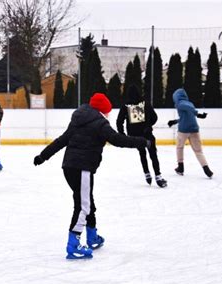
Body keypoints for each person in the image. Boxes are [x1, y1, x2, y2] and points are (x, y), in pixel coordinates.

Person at [33, 93, 150, 260]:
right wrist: (141, 141)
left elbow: (61, 140)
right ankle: (73, 244)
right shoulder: (100, 124)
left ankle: (92, 236)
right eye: (108, 110)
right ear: (103, 110)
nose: (109, 114)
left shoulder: (79, 119)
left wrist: (42, 156)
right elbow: (117, 140)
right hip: (83, 168)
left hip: (70, 167)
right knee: (83, 206)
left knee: (87, 201)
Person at [116, 85, 167, 188]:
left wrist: (122, 134)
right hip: (147, 134)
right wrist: (148, 126)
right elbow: (155, 117)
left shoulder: (126, 105)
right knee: (153, 154)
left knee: (142, 154)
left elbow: (119, 121)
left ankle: (147, 174)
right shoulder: (145, 103)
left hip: (134, 137)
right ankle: (158, 176)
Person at [168, 88, 213, 178]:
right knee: (198, 151)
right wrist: (175, 121)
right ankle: (207, 170)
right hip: (194, 129)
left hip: (183, 130)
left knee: (179, 148)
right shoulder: (190, 103)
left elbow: (188, 109)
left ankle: (180, 167)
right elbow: (185, 116)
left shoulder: (179, 104)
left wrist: (197, 113)